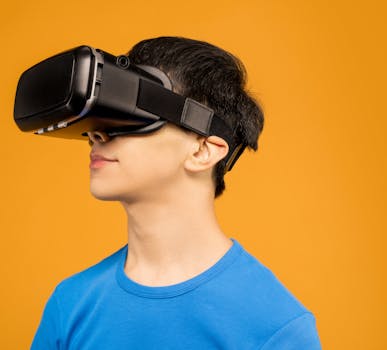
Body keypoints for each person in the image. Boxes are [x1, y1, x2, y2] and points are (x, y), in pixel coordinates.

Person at [30, 36, 322, 349]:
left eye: (129, 117)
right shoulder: (70, 304)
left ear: (203, 151)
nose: (97, 134)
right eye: (100, 118)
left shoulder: (275, 326)